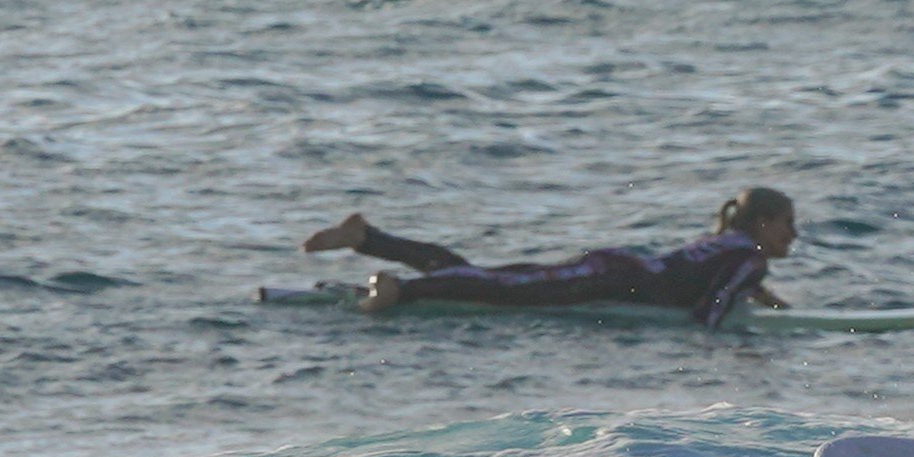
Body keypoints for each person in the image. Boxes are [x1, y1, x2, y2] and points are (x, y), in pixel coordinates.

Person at [305, 188, 799, 325]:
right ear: (760, 226)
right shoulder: (749, 259)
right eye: (786, 225)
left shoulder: (735, 249)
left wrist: (779, 310)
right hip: (611, 281)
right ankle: (401, 290)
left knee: (494, 278)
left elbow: (736, 282)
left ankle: (369, 238)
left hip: (616, 267)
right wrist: (738, 346)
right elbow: (709, 310)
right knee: (501, 290)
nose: (793, 235)